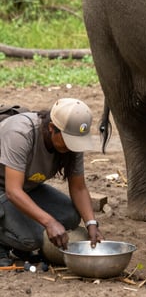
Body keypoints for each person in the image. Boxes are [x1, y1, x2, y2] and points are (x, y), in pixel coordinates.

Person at [0, 97, 103, 266]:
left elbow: (78, 188)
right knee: (32, 239)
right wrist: (49, 222)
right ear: (51, 128)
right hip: (9, 189)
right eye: (68, 140)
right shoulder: (20, 134)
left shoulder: (72, 143)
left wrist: (92, 223)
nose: (71, 147)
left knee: (71, 216)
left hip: (25, 188)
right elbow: (13, 191)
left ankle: (15, 231)